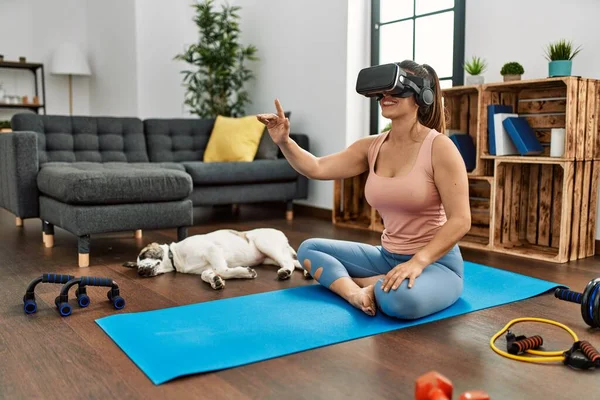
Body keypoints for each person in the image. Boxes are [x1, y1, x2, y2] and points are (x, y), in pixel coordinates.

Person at [256, 60, 471, 319]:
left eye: (396, 90)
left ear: (421, 96)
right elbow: (317, 167)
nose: (386, 97)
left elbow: (460, 220)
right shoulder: (370, 146)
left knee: (398, 300)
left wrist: (418, 262)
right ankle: (357, 293)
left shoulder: (440, 147)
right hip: (387, 256)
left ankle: (375, 284)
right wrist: (284, 141)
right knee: (309, 249)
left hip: (436, 264)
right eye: (383, 91)